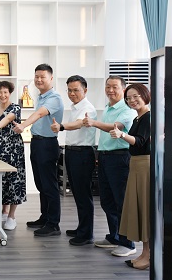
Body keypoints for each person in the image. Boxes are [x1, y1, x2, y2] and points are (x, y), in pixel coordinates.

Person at [82, 76, 137, 257]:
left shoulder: (127, 109)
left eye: (114, 87)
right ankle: (114, 236)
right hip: (105, 157)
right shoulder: (108, 107)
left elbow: (116, 126)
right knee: (107, 200)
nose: (110, 90)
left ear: (123, 89)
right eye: (108, 87)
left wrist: (94, 123)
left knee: (121, 201)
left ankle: (128, 243)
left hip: (120, 158)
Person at [13, 63, 64, 237]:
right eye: (36, 77)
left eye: (43, 77)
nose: (39, 80)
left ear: (51, 78)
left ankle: (53, 224)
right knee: (41, 184)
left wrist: (23, 125)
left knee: (49, 184)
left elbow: (40, 114)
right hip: (37, 143)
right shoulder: (41, 96)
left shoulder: (54, 98)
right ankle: (45, 217)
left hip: (47, 144)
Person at [50, 75, 97, 246]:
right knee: (77, 193)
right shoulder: (75, 107)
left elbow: (79, 124)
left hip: (82, 154)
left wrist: (61, 126)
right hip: (72, 152)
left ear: (85, 90)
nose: (72, 93)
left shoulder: (88, 108)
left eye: (76, 90)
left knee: (83, 194)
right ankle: (81, 228)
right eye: (69, 90)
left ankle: (86, 234)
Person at [109, 83, 151, 269]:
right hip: (136, 165)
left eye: (135, 97)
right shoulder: (138, 118)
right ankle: (145, 253)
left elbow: (140, 142)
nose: (132, 100)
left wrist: (122, 135)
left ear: (144, 95)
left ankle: (148, 256)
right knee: (139, 209)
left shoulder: (148, 117)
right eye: (128, 98)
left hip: (144, 167)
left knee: (144, 210)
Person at [0, 80, 25, 231]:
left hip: (14, 149)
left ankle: (12, 217)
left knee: (14, 181)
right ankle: (4, 212)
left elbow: (8, 118)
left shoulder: (15, 107)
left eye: (5, 92)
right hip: (0, 149)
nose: (2, 95)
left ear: (10, 93)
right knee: (1, 180)